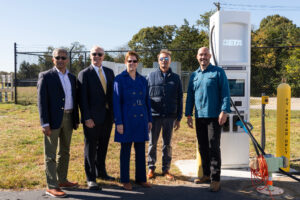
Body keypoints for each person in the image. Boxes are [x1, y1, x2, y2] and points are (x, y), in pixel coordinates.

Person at [185, 47, 231, 192]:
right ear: (197, 57)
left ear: (209, 56)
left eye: (205, 54)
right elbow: (190, 96)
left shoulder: (218, 72)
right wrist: (188, 114)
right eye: (200, 55)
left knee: (213, 147)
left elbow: (225, 93)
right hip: (200, 116)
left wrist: (224, 110)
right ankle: (206, 174)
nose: (203, 57)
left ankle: (215, 179)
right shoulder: (194, 75)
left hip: (214, 117)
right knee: (202, 147)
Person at [37, 48, 79, 198]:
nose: (60, 60)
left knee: (65, 151)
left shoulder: (72, 77)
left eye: (63, 57)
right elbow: (41, 102)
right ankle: (52, 186)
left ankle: (62, 179)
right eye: (57, 57)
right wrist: (44, 123)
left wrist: (76, 118)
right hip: (53, 121)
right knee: (50, 154)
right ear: (53, 59)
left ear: (67, 60)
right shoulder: (46, 76)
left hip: (69, 118)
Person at [78, 46, 115, 190]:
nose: (97, 56)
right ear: (90, 56)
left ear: (103, 56)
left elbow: (112, 95)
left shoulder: (109, 72)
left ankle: (102, 172)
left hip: (107, 117)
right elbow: (82, 99)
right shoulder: (84, 74)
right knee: (91, 147)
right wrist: (86, 117)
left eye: (99, 54)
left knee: (104, 146)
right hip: (92, 119)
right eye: (94, 54)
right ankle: (91, 177)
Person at [113, 51, 152, 190]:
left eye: (134, 61)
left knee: (141, 150)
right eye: (129, 61)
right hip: (126, 120)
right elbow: (116, 102)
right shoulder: (119, 79)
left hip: (141, 119)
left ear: (138, 63)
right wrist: (118, 122)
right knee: (125, 151)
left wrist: (149, 119)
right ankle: (125, 179)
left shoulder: (143, 80)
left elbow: (147, 101)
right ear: (125, 62)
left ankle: (141, 178)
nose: (132, 63)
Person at [146, 49, 183, 181]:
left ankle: (166, 169)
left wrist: (179, 118)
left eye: (166, 59)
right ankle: (151, 168)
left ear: (170, 61)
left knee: (167, 144)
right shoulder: (150, 76)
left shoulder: (176, 78)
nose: (164, 61)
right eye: (162, 59)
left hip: (169, 117)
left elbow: (180, 98)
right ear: (158, 61)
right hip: (154, 117)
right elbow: (146, 98)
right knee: (152, 143)